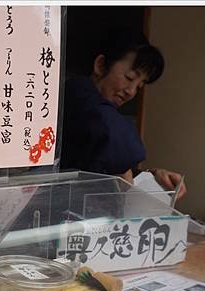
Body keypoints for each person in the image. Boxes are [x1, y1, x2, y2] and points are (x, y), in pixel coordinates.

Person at [60, 29, 187, 200]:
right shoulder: (78, 93)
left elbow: (109, 168)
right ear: (101, 65)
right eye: (129, 78)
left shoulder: (104, 114)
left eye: (139, 86)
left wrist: (151, 176)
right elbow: (110, 130)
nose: (131, 91)